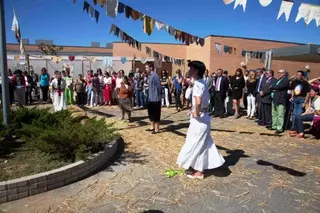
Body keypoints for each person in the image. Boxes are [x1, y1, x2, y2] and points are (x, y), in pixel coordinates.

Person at [177, 60, 225, 180]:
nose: (189, 70)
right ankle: (197, 168)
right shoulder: (201, 82)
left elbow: (198, 101)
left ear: (196, 70)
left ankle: (198, 171)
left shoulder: (199, 84)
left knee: (196, 143)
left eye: (191, 68)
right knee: (202, 143)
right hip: (204, 118)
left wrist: (196, 113)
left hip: (199, 120)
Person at [270, 69, 289, 134]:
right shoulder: (278, 80)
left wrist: (274, 87)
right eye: (278, 72)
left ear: (284, 73)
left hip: (281, 99)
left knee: (280, 114)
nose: (279, 74)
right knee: (274, 113)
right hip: (275, 99)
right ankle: (274, 126)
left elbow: (278, 87)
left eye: (280, 73)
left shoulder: (285, 80)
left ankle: (279, 128)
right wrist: (274, 87)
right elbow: (274, 86)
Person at [146, 63, 162, 134]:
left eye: (147, 68)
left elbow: (159, 87)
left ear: (151, 68)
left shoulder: (155, 76)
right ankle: (152, 127)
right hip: (150, 98)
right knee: (150, 113)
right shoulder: (149, 76)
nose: (146, 69)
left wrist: (159, 96)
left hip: (155, 98)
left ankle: (157, 129)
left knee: (156, 114)